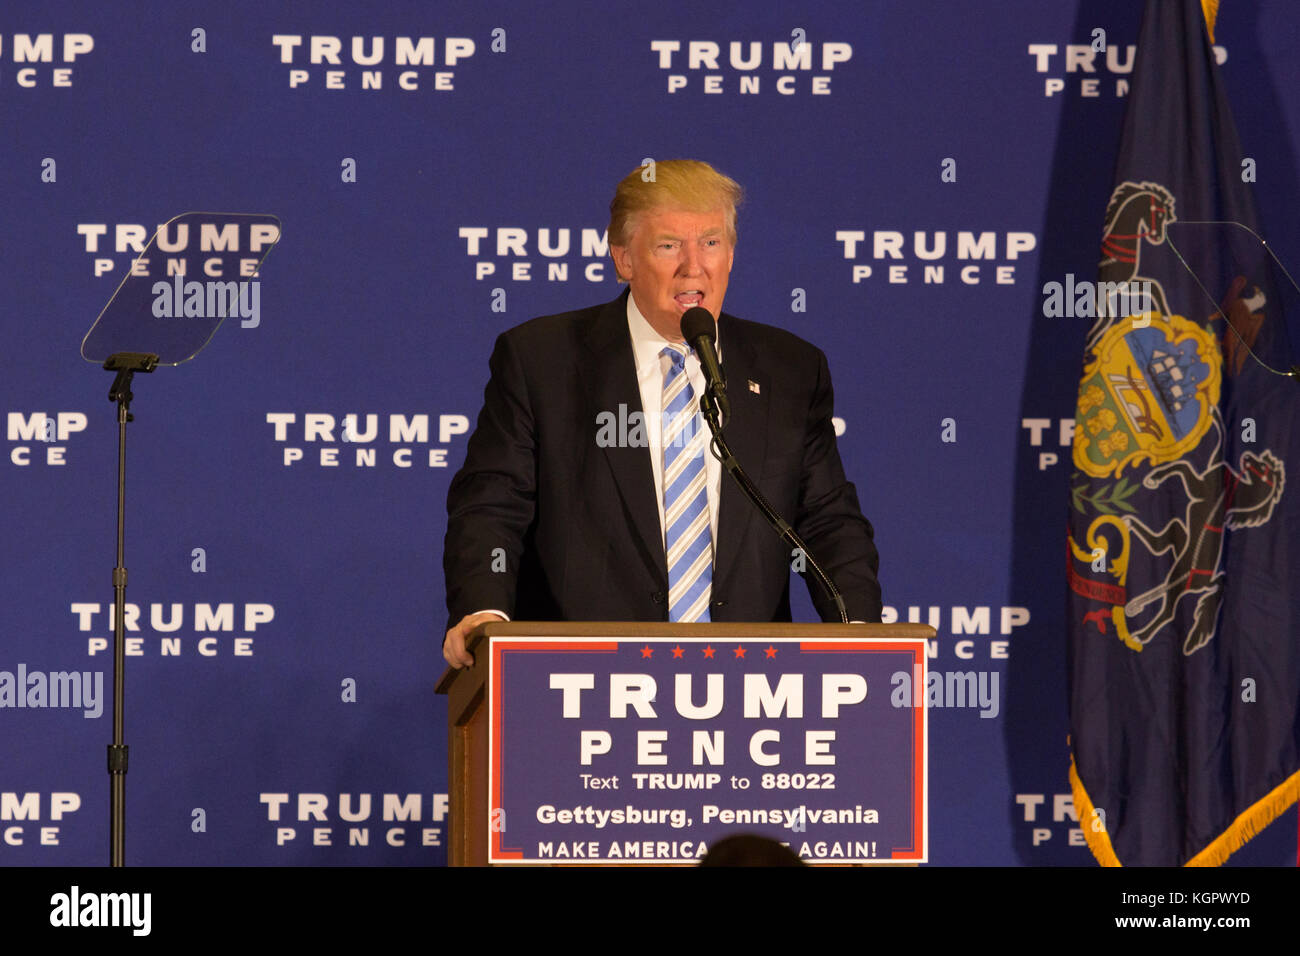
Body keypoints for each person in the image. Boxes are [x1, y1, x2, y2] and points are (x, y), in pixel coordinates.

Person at [443, 159, 881, 668]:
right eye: (669, 245)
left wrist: (864, 636)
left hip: (746, 685)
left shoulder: (790, 370)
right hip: (577, 682)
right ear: (623, 258)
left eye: (711, 243)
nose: (694, 267)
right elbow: (492, 505)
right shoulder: (543, 361)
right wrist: (482, 613)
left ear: (732, 253)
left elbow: (828, 523)